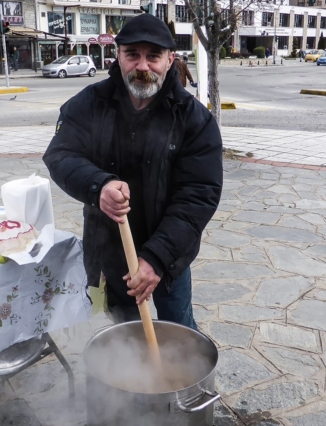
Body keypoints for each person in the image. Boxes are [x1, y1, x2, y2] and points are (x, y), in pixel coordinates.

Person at [43, 13, 223, 330]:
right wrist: (99, 187)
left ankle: (184, 380)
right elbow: (60, 154)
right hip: (107, 253)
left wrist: (157, 258)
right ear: (118, 56)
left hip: (169, 256)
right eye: (133, 55)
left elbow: (198, 195)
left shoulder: (194, 121)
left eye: (153, 56)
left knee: (178, 331)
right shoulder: (89, 104)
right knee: (116, 334)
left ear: (170, 60)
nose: (142, 66)